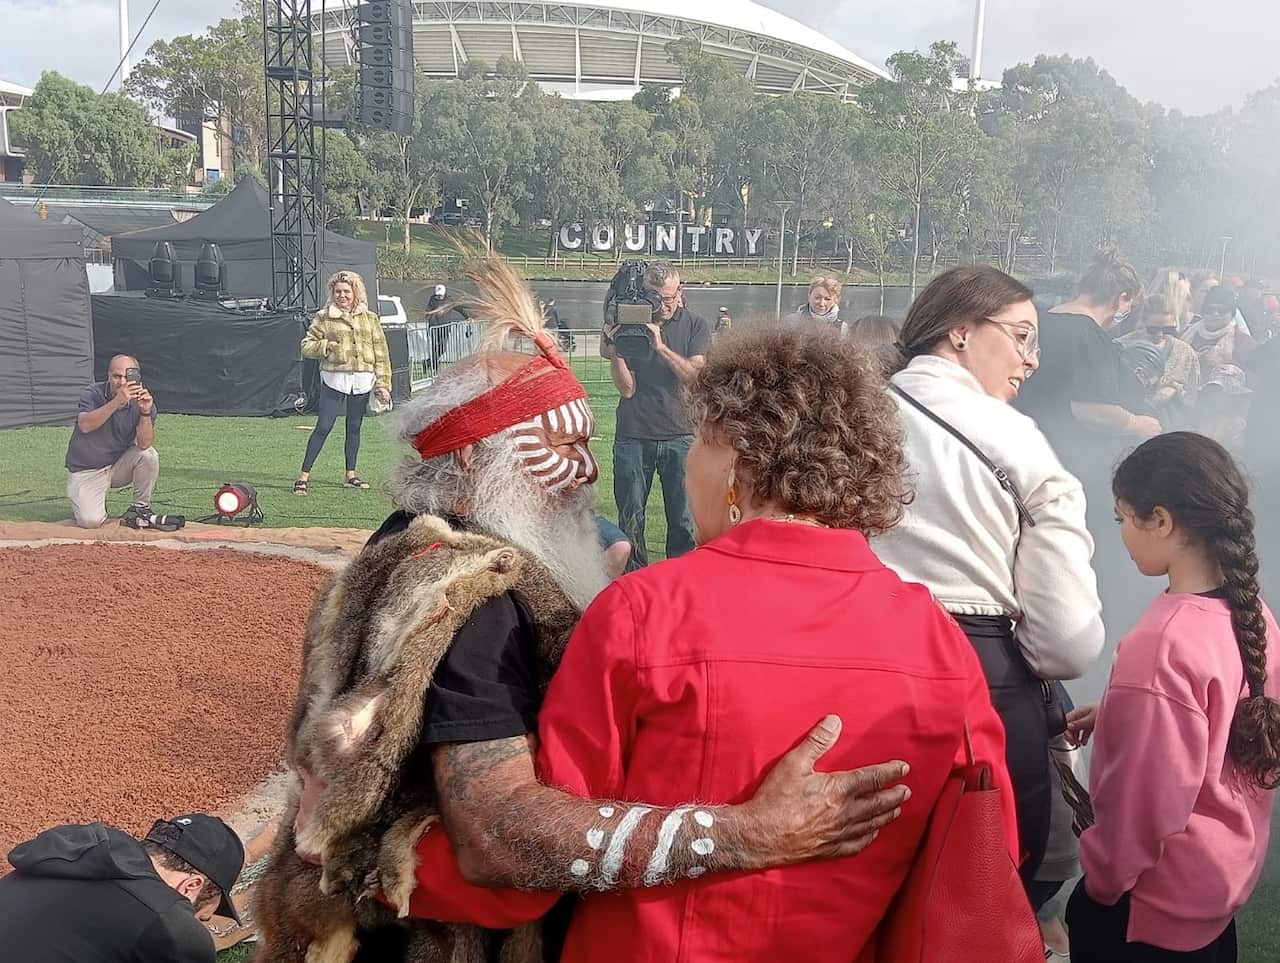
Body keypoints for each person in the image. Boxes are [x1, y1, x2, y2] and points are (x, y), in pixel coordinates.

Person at [255, 258, 910, 963]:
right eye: (565, 444)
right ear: (474, 455)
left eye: (589, 443)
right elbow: (500, 839)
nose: (589, 469)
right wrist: (744, 833)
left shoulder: (397, 545)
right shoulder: (476, 593)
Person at [399, 323, 1018, 963]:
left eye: (697, 439)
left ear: (734, 459)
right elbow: (984, 849)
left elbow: (522, 863)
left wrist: (374, 862)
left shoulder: (644, 613)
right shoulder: (941, 640)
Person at [873, 266, 1105, 890]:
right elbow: (1068, 642)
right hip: (982, 682)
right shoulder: (1016, 436)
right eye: (1023, 336)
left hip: (850, 672)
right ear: (960, 333)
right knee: (984, 901)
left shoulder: (850, 418)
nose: (1031, 361)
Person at [1064, 432, 1280, 962]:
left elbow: (1145, 807)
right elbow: (1218, 728)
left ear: (1160, 520)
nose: (1120, 534)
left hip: (1145, 914)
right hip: (1213, 896)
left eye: (1121, 518)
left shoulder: (1163, 643)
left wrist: (1101, 885)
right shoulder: (1255, 616)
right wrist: (1123, 712)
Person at [0, 813, 245, 963]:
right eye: (200, 917)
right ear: (190, 886)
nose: (197, 922)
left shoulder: (67, 854)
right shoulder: (169, 924)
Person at [602, 261, 710, 568]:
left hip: (680, 435)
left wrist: (659, 346)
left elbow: (693, 375)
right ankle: (635, 582)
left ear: (680, 292)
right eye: (655, 298)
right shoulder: (630, 321)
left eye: (669, 298)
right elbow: (626, 390)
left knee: (683, 518)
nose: (662, 305)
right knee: (631, 517)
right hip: (634, 435)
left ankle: (680, 581)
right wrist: (617, 348)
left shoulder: (695, 325)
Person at [1015, 251, 1160, 477]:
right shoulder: (1089, 335)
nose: (1122, 317)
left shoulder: (1038, 321)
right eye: (1128, 309)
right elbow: (1094, 411)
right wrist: (1138, 424)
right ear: (1121, 298)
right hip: (1064, 461)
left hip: (1022, 451)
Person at [294, 270, 391, 494]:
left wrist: (383, 384)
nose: (342, 295)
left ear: (355, 292)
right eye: (338, 291)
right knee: (324, 426)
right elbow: (306, 346)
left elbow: (382, 354)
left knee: (354, 427)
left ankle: (351, 474)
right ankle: (303, 476)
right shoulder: (324, 317)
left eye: (346, 291)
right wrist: (326, 346)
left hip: (362, 379)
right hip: (334, 379)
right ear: (332, 293)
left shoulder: (370, 318)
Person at [65, 353, 159, 529]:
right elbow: (85, 425)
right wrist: (117, 402)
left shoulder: (142, 400)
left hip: (117, 466)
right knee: (90, 521)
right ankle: (88, 500)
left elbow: (144, 444)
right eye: (117, 376)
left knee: (149, 455)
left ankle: (140, 508)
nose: (122, 382)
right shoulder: (93, 393)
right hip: (86, 470)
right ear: (108, 375)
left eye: (127, 376)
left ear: (136, 378)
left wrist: (145, 412)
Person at [1117, 294, 1202, 425]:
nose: (1160, 334)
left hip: (1171, 426)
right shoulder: (1120, 347)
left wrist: (1175, 390)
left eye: (1168, 329)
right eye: (1153, 329)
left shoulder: (1185, 352)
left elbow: (1193, 398)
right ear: (1142, 322)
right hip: (1129, 423)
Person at [1183, 284, 1257, 371]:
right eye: (1210, 310)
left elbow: (1256, 378)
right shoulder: (1187, 334)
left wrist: (1226, 364)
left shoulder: (1244, 342)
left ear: (1232, 314)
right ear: (1203, 312)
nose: (1215, 314)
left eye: (1222, 310)